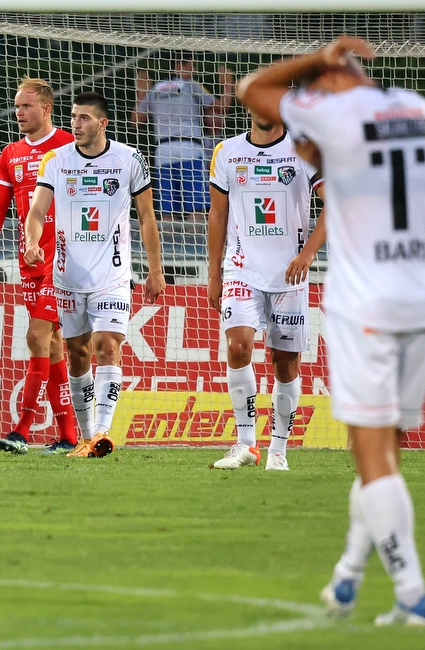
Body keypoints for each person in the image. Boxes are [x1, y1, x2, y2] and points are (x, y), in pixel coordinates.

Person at [239, 35, 425, 625]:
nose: (312, 94)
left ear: (334, 79)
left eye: (318, 85)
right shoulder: (417, 109)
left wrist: (318, 58)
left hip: (365, 305)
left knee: (370, 454)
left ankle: (411, 590)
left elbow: (253, 91)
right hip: (419, 300)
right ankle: (348, 573)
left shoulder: (338, 114)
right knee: (384, 453)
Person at [26, 91, 166, 457]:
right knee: (77, 353)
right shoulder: (55, 160)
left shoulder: (129, 158)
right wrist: (31, 241)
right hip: (68, 276)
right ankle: (86, 438)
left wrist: (155, 269)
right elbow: (37, 210)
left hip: (113, 275)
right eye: (73, 117)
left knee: (108, 345)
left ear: (102, 123)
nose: (76, 123)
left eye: (84, 118)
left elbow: (146, 216)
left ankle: (102, 432)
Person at [207, 112, 325, 471]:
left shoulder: (305, 150)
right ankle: (246, 444)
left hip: (289, 275)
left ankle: (278, 450)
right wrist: (214, 273)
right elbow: (217, 215)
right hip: (241, 269)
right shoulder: (226, 151)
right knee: (238, 346)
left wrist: (307, 255)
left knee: (285, 363)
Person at [0, 77, 78, 455]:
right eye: (16, 105)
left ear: (46, 108)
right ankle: (69, 435)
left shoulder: (69, 148)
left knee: (36, 337)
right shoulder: (10, 154)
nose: (19, 112)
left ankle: (22, 430)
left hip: (64, 261)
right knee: (54, 345)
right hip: (30, 259)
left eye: (26, 106)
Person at [133, 51, 233, 220]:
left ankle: (166, 245)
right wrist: (228, 84)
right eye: (191, 65)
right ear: (181, 65)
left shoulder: (155, 89)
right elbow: (220, 108)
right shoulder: (191, 85)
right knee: (196, 209)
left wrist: (141, 91)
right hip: (190, 149)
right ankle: (198, 245)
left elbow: (135, 121)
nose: (193, 70)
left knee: (167, 210)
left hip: (163, 152)